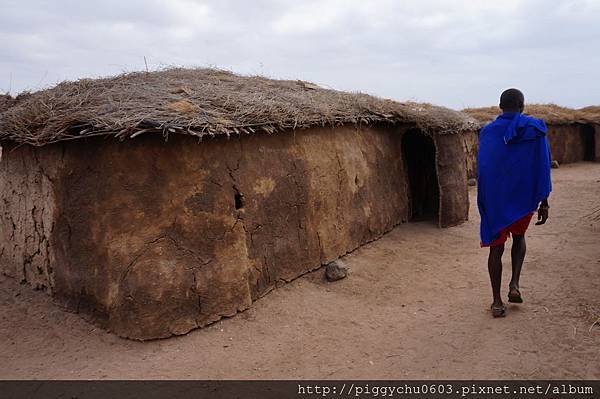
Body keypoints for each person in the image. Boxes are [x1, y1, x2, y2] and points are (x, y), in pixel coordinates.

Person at [477, 88, 552, 317]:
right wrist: (544, 201)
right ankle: (515, 284)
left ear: (500, 106)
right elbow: (543, 165)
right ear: (522, 106)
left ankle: (497, 302)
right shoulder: (534, 129)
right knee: (519, 238)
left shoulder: (488, 132)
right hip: (523, 197)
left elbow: (485, 169)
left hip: (496, 200)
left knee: (496, 248)